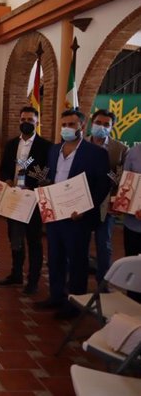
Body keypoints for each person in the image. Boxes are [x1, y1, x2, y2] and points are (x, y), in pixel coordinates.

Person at [35, 109, 110, 318]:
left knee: (77, 260)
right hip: (55, 214)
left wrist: (86, 208)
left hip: (79, 217)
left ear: (82, 127)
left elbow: (102, 186)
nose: (67, 128)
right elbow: (51, 178)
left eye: (72, 125)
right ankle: (56, 295)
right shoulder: (54, 150)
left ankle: (75, 303)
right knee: (55, 257)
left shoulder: (96, 153)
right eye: (64, 124)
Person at [0, 107, 52, 295]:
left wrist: (34, 186)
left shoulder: (45, 146)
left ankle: (33, 280)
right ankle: (16, 273)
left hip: (33, 198)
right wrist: (7, 180)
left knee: (33, 240)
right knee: (15, 238)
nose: (26, 122)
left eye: (30, 119)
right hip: (14, 197)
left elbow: (48, 173)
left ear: (37, 122)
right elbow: (3, 168)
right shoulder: (11, 145)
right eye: (23, 119)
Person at [86, 109, 128, 285]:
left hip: (105, 205)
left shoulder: (120, 149)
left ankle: (102, 285)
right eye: (98, 123)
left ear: (112, 127)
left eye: (106, 125)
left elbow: (123, 181)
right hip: (81, 202)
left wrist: (115, 200)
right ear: (91, 123)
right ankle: (75, 281)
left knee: (104, 246)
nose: (101, 127)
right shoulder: (80, 144)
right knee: (79, 244)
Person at [121, 143, 141, 302]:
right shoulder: (134, 152)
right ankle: (132, 304)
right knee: (133, 267)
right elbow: (126, 182)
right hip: (133, 224)